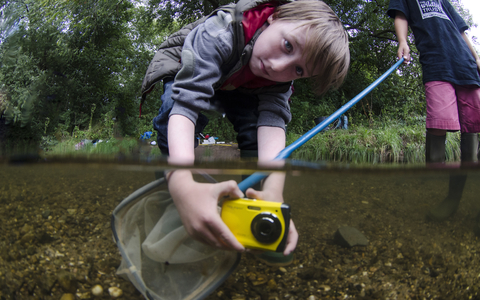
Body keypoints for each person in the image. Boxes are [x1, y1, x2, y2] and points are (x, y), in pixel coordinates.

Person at [140, 0, 350, 258]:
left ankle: (258, 214)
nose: (278, 66)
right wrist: (182, 185)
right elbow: (186, 105)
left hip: (243, 83)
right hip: (192, 68)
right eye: (287, 45)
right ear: (275, 16)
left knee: (256, 136)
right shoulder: (220, 33)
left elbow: (273, 124)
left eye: (298, 69)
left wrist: (274, 192)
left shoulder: (278, 77)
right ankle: (172, 191)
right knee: (169, 119)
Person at [387, 0, 480, 236]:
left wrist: (476, 57)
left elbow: (461, 30)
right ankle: (439, 193)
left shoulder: (443, 1)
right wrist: (402, 41)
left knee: (472, 130)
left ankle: (457, 197)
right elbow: (401, 16)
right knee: (438, 125)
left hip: (466, 66)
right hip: (437, 65)